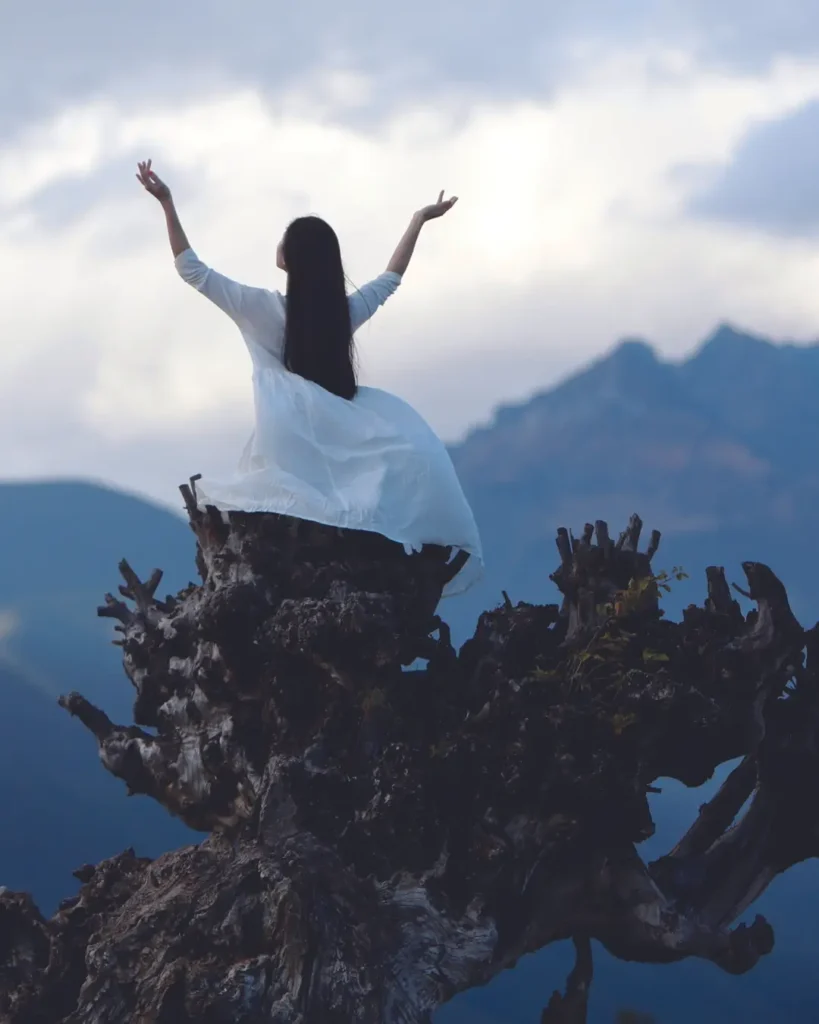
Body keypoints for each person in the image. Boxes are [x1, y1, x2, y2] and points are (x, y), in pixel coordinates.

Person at [136, 159, 483, 595]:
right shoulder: (339, 314)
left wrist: (167, 202)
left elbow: (192, 270)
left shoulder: (260, 308)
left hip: (284, 434)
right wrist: (418, 221)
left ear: (292, 257)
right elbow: (390, 279)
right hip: (327, 428)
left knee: (283, 505)